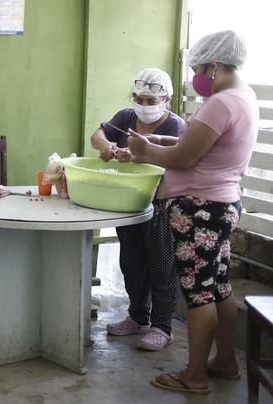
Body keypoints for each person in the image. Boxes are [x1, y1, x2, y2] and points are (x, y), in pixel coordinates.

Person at [126, 31, 258, 393]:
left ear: (214, 66)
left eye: (198, 69)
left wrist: (144, 151)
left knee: (198, 293)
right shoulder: (244, 97)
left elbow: (184, 157)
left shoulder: (220, 103)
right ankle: (226, 360)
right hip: (224, 203)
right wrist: (155, 141)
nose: (196, 77)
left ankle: (195, 374)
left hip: (200, 209)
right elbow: (194, 144)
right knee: (219, 288)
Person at [90, 68, 186, 351]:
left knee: (161, 265)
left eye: (150, 101)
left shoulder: (175, 126)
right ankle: (137, 316)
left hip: (162, 203)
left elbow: (173, 161)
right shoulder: (125, 117)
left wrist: (138, 155)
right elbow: (97, 135)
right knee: (131, 262)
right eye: (139, 99)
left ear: (166, 99)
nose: (144, 106)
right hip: (129, 201)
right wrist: (107, 146)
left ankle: (162, 326)